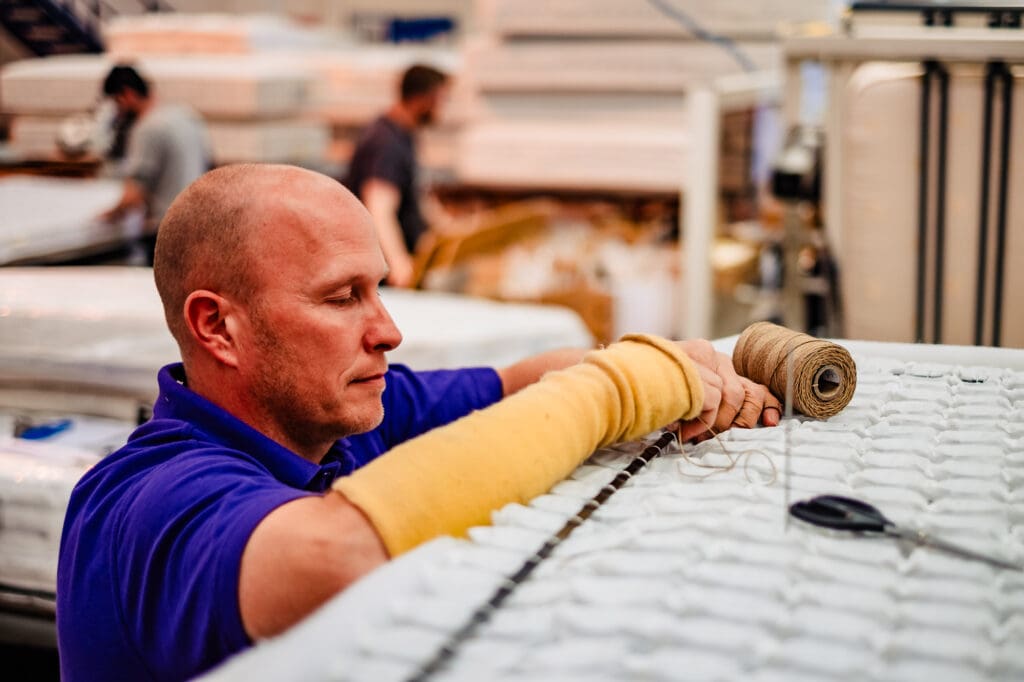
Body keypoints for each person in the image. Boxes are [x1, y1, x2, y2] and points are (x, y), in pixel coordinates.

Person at [56, 164, 782, 681]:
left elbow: (522, 382)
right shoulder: (149, 498)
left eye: (378, 290)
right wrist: (615, 391)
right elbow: (328, 555)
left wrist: (668, 364)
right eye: (343, 297)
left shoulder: (342, 419)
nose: (389, 331)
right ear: (218, 327)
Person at [344, 63, 448, 287]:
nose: (443, 108)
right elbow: (379, 209)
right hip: (382, 276)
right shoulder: (385, 143)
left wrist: (446, 227)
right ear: (423, 100)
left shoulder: (403, 133)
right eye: (441, 100)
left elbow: (414, 192)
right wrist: (398, 263)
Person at [99, 64, 211, 265]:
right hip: (198, 224)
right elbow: (210, 165)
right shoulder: (186, 116)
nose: (118, 112)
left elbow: (136, 192)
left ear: (127, 94)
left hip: (166, 229)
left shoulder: (147, 128)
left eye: (117, 102)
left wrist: (106, 217)